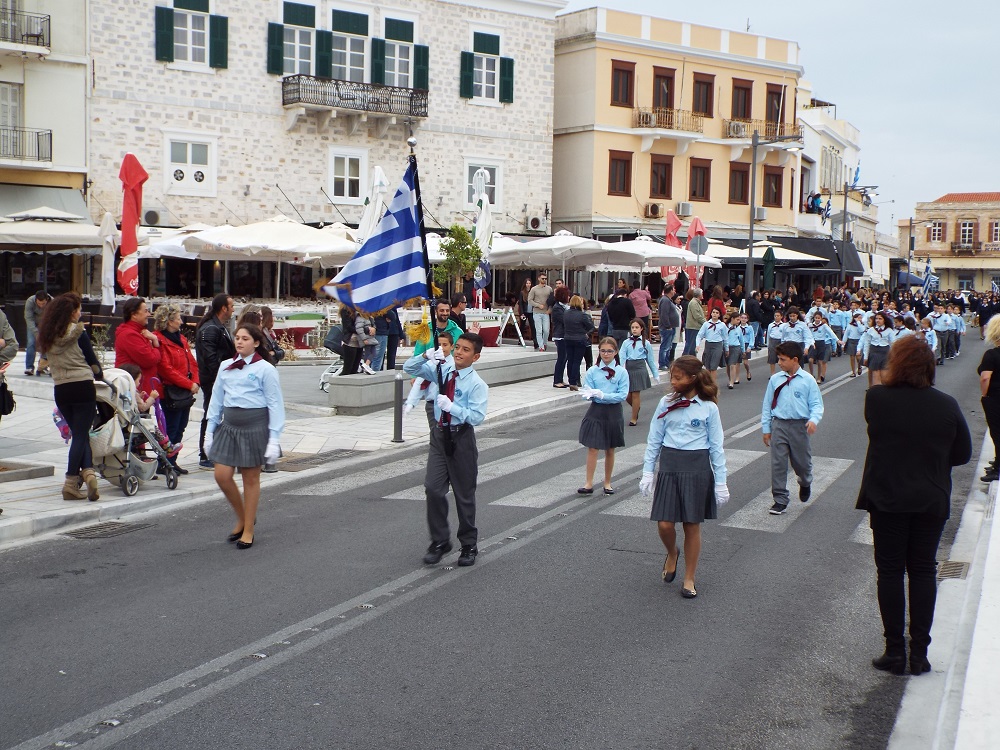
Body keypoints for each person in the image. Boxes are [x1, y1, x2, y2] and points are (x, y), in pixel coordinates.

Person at [858, 336, 971, 676]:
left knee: (890, 571)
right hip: (930, 498)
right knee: (923, 570)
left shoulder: (876, 398)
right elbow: (962, 454)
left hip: (888, 497)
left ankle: (894, 651)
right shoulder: (947, 404)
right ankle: (920, 654)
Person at [640, 355, 728, 599]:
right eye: (672, 377)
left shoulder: (709, 408)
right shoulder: (665, 403)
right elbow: (654, 438)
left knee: (691, 525)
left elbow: (716, 447)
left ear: (693, 378)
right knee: (664, 523)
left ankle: (689, 578)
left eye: (678, 378)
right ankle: (672, 552)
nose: (673, 382)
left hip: (697, 467)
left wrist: (721, 482)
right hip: (670, 464)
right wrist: (648, 471)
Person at [404, 332, 489, 567]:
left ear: (476, 357)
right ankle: (440, 540)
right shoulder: (442, 370)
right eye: (458, 347)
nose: (459, 352)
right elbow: (410, 368)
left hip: (461, 437)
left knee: (464, 495)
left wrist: (453, 408)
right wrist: (425, 356)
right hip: (439, 436)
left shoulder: (477, 384)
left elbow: (477, 417)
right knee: (433, 488)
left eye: (466, 350)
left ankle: (469, 544)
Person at [204, 323, 285, 550]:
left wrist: (274, 438)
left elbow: (275, 405)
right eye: (237, 338)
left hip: (254, 426)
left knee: (250, 479)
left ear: (256, 343)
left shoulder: (266, 369)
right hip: (229, 426)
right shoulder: (225, 366)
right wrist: (209, 431)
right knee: (221, 475)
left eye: (245, 338)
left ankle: (248, 529)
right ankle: (243, 517)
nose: (239, 341)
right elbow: (216, 400)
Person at [36, 293, 103, 501]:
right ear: (72, 312)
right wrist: (101, 375)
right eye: (79, 309)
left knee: (78, 434)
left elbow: (44, 362)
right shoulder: (78, 332)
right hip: (82, 387)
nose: (80, 313)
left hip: (61, 389)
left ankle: (88, 472)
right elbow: (93, 362)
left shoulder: (47, 335)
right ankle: (70, 483)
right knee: (81, 435)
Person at [761, 341, 824, 515]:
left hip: (800, 426)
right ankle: (780, 499)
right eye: (778, 359)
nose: (779, 363)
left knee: (802, 464)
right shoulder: (775, 380)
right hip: (779, 424)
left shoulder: (808, 380)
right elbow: (767, 405)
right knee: (778, 464)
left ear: (795, 360)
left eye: (783, 359)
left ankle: (805, 481)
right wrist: (766, 428)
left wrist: (813, 420)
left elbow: (817, 404)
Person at [576, 336, 628, 495]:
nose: (606, 354)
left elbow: (622, 395)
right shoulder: (593, 371)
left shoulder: (621, 372)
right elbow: (588, 390)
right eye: (603, 351)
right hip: (596, 410)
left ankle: (607, 482)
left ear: (616, 352)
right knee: (593, 447)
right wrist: (589, 394)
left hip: (613, 412)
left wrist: (603, 395)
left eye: (610, 351)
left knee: (610, 449)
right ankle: (588, 483)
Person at [152, 305, 200, 475]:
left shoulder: (181, 338)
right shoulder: (159, 340)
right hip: (170, 391)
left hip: (184, 391)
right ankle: (164, 462)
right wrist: (189, 384)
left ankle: (172, 461)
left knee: (181, 427)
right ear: (169, 321)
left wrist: (196, 381)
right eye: (178, 318)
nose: (181, 321)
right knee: (170, 428)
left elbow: (192, 362)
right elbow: (166, 368)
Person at [195, 293, 236, 469]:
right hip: (213, 380)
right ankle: (205, 454)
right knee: (212, 414)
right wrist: (222, 379)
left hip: (217, 379)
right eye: (231, 306)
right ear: (224, 308)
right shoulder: (211, 328)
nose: (233, 309)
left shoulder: (218, 326)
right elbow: (210, 359)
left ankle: (214, 451)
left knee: (216, 414)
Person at [116, 363, 182, 458]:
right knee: (153, 427)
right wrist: (152, 397)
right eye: (138, 380)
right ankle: (167, 446)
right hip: (133, 423)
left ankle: (142, 453)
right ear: (131, 380)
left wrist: (140, 397)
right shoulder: (132, 392)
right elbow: (143, 407)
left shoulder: (120, 392)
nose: (139, 383)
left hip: (121, 422)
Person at [404, 330, 454, 429]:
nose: (441, 348)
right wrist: (425, 356)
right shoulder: (431, 363)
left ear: (451, 347)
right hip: (431, 404)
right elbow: (412, 372)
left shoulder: (454, 364)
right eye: (438, 345)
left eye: (445, 345)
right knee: (435, 434)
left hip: (449, 405)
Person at [114, 297, 162, 390]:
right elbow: (149, 360)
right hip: (136, 388)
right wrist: (156, 347)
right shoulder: (129, 335)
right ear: (134, 315)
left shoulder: (140, 332)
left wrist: (154, 341)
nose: (148, 314)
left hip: (142, 386)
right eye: (145, 311)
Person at [622, 318, 659, 426]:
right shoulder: (626, 343)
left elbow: (650, 360)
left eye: (637, 327)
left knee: (635, 394)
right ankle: (636, 407)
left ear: (641, 329)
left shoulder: (646, 343)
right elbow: (621, 357)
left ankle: (633, 418)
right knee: (626, 394)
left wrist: (655, 374)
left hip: (640, 368)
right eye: (633, 327)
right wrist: (618, 370)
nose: (634, 329)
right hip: (629, 369)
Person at [979, 316, 1000, 483]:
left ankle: (998, 468)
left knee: (997, 431)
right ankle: (997, 461)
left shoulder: (991, 355)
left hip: (995, 396)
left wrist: (984, 395)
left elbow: (985, 377)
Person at [563, 295, 595, 391]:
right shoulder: (582, 315)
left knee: (570, 360)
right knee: (577, 361)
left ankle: (570, 380)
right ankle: (574, 382)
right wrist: (587, 334)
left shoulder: (566, 313)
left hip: (568, 338)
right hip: (580, 339)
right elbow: (591, 327)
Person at [861, 312, 895, 388]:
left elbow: (893, 344)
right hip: (874, 353)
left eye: (880, 319)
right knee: (875, 375)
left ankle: (885, 391)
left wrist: (893, 356)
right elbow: (867, 344)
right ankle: (875, 391)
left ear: (884, 320)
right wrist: (866, 357)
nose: (878, 320)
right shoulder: (871, 330)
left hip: (885, 353)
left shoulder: (889, 330)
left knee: (884, 376)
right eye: (876, 318)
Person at [695, 305, 727, 383]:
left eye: (717, 313)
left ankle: (713, 384)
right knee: (708, 366)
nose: (715, 314)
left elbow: (725, 338)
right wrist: (697, 345)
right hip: (708, 345)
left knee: (713, 367)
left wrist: (726, 349)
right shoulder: (706, 324)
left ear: (719, 315)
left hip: (717, 345)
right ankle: (708, 383)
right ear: (711, 313)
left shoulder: (722, 325)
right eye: (713, 312)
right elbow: (699, 335)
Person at [23, 290, 49, 376]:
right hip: (33, 324)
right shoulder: (30, 301)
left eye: (43, 303)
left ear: (47, 300)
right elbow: (28, 318)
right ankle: (29, 367)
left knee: (46, 343)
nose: (41, 306)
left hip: (46, 324)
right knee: (31, 342)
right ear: (35, 300)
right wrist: (36, 333)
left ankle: (43, 366)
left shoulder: (52, 302)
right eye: (39, 303)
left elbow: (54, 317)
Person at [807, 312, 837, 384]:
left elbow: (831, 333)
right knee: (810, 360)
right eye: (816, 318)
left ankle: (819, 377)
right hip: (813, 343)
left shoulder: (824, 325)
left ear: (821, 318)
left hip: (821, 343)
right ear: (814, 318)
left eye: (818, 318)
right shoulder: (810, 326)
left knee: (820, 362)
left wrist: (837, 340)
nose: (817, 319)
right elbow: (808, 334)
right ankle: (811, 375)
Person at [551, 285, 571, 388]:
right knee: (561, 358)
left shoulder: (565, 307)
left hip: (566, 335)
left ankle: (560, 379)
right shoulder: (557, 308)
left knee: (565, 358)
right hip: (560, 335)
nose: (569, 297)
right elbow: (564, 320)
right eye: (567, 295)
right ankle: (556, 380)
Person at [657, 284, 680, 371]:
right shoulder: (665, 300)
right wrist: (667, 325)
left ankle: (666, 362)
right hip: (667, 327)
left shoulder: (668, 300)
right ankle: (662, 363)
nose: (674, 291)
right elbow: (664, 314)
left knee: (668, 346)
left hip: (671, 327)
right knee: (665, 346)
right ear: (670, 291)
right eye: (673, 290)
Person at [527, 274, 553, 351]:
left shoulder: (549, 289)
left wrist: (550, 309)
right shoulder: (534, 289)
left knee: (546, 330)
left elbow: (552, 300)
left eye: (545, 278)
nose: (544, 280)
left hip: (546, 312)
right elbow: (530, 300)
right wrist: (538, 305)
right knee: (539, 330)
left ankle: (544, 343)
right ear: (539, 279)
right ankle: (541, 346)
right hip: (537, 312)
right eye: (542, 278)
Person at [841, 311, 866, 378]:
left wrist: (858, 322)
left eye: (861, 318)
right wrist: (843, 344)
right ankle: (853, 372)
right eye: (858, 318)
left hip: (859, 341)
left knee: (858, 357)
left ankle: (859, 366)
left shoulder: (862, 325)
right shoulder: (850, 325)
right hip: (851, 341)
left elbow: (861, 330)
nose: (860, 319)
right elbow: (846, 334)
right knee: (852, 357)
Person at [339, 304, 362, 376]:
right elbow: (349, 327)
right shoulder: (346, 309)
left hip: (359, 340)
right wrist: (363, 330)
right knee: (348, 368)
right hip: (350, 340)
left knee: (355, 367)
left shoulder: (359, 308)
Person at [683, 288, 705, 356]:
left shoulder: (697, 302)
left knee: (692, 344)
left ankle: (690, 357)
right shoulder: (694, 303)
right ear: (699, 295)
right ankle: (687, 357)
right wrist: (705, 322)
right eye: (702, 293)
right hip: (693, 327)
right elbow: (697, 315)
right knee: (691, 344)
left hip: (695, 326)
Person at [518, 278, 537, 347]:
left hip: (531, 312)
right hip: (525, 312)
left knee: (533, 326)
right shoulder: (522, 292)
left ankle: (535, 341)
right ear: (525, 284)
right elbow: (520, 303)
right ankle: (520, 339)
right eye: (527, 283)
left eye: (529, 283)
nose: (528, 285)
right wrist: (522, 313)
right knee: (522, 326)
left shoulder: (533, 292)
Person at [765, 310, 784, 376]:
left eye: (778, 316)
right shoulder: (771, 325)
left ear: (781, 316)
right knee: (772, 358)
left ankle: (783, 372)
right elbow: (768, 334)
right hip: (772, 341)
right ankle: (772, 374)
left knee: (782, 357)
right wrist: (768, 344)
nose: (776, 317)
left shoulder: (784, 325)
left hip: (781, 341)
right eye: (775, 316)